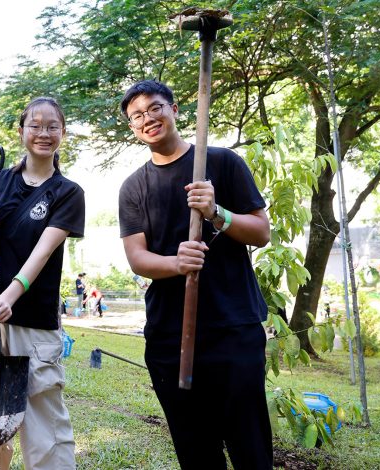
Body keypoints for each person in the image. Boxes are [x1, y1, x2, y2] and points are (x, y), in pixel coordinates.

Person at [118, 79, 272, 469]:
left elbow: (261, 231)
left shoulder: (222, 163)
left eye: (155, 108)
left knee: (250, 446)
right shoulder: (134, 187)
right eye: (137, 116)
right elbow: (138, 258)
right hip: (171, 337)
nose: (148, 119)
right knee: (196, 453)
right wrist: (177, 263)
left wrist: (218, 213)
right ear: (133, 129)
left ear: (174, 109)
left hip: (233, 328)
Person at [0, 97, 84, 469]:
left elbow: (42, 254)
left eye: (52, 126)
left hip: (32, 319)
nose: (43, 133)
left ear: (63, 133)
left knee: (45, 429)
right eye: (35, 125)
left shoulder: (68, 193)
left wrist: (10, 296)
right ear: (21, 132)